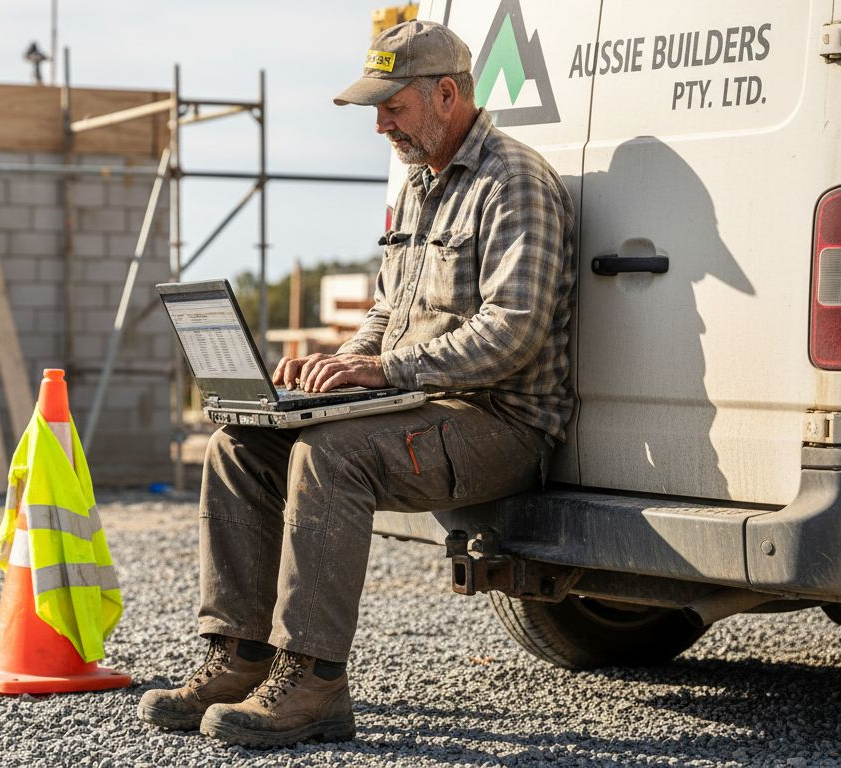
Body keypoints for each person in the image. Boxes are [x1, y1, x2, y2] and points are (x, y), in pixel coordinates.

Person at [138, 19, 576, 748]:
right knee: (241, 441)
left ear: (445, 94)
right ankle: (241, 656)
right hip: (418, 406)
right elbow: (387, 309)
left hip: (501, 422)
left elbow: (515, 331)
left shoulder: (515, 183)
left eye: (392, 108)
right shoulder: (419, 184)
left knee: (331, 453)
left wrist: (382, 371)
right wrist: (334, 368)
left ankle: (313, 682)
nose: (379, 126)